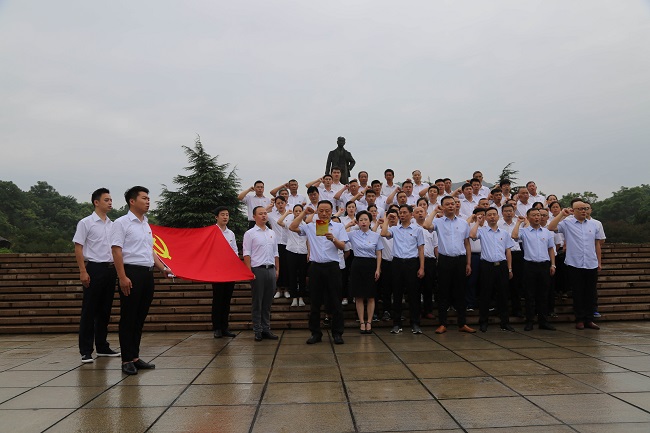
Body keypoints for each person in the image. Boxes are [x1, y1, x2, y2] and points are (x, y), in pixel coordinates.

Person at [111, 186, 169, 375]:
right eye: (144, 198)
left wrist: (162, 268)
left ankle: (135, 356)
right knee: (128, 317)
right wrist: (122, 277)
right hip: (131, 272)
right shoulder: (121, 223)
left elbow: (150, 250)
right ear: (132, 201)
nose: (148, 201)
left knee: (139, 317)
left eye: (148, 198)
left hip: (146, 273)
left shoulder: (145, 224)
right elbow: (116, 250)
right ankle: (126, 360)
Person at [290, 201, 349, 345]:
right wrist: (304, 213)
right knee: (315, 301)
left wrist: (333, 239)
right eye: (321, 210)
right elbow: (292, 227)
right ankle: (315, 333)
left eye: (327, 211)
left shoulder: (338, 226)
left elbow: (343, 246)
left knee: (335, 300)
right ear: (317, 211)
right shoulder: (310, 226)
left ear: (331, 211)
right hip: (316, 267)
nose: (324, 213)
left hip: (332, 267)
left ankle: (337, 333)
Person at [73, 187, 120, 364]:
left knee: (105, 310)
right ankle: (86, 350)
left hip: (110, 269)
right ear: (96, 202)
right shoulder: (86, 223)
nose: (110, 203)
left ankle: (102, 346)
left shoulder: (113, 224)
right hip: (94, 268)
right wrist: (83, 271)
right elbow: (78, 247)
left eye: (111, 200)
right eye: (106, 200)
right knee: (89, 310)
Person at [548, 199, 605, 330]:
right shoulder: (567, 223)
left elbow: (597, 244)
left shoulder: (594, 225)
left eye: (585, 208)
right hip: (574, 263)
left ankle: (589, 319)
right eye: (580, 209)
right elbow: (551, 227)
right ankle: (579, 319)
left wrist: (599, 262)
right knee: (578, 292)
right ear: (573, 211)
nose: (583, 211)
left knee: (590, 293)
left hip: (591, 262)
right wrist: (562, 214)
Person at [425, 196, 475, 334]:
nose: (451, 206)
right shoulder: (438, 222)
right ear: (443, 206)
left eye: (453, 204)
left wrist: (468, 263)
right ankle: (443, 323)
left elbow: (467, 244)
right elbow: (426, 225)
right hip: (444, 260)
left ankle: (462, 323)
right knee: (443, 292)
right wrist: (434, 211)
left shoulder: (463, 223)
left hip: (460, 260)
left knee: (461, 292)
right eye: (447, 204)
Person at [380, 204, 425, 334]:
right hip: (397, 263)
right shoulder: (395, 229)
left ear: (411, 214)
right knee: (397, 294)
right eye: (400, 212)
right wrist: (387, 218)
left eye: (405, 212)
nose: (402, 215)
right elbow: (383, 233)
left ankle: (415, 323)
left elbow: (421, 249)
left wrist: (422, 267)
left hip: (412, 263)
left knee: (414, 295)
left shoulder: (417, 230)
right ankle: (396, 323)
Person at [469, 207, 516, 332]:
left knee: (503, 294)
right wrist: (478, 222)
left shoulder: (504, 233)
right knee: (485, 294)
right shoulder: (482, 231)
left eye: (494, 214)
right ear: (485, 217)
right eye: (489, 215)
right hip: (487, 266)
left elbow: (508, 251)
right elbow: (472, 235)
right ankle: (483, 322)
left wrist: (509, 268)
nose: (492, 217)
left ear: (498, 216)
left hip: (502, 266)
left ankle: (504, 322)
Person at [512, 208, 556, 331]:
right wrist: (518, 222)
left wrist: (553, 264)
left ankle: (543, 321)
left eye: (538, 215)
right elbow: (514, 236)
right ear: (528, 217)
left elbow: (551, 249)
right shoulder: (524, 231)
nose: (537, 217)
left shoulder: (547, 232)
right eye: (534, 215)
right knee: (529, 294)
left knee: (543, 294)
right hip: (529, 265)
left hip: (544, 265)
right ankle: (530, 321)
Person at [243, 206, 280, 342]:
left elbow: (276, 252)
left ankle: (266, 328)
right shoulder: (250, 233)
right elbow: (247, 253)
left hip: (271, 269)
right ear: (254, 217)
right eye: (260, 214)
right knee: (257, 301)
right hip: (257, 270)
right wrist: (249, 271)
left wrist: (277, 269)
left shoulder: (272, 233)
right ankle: (257, 330)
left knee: (268, 301)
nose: (264, 216)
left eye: (265, 213)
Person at [348, 210, 383, 334]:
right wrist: (349, 224)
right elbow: (339, 233)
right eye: (361, 220)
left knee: (371, 296)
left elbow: (379, 253)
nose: (363, 222)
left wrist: (378, 269)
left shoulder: (375, 235)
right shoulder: (352, 234)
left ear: (370, 221)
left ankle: (369, 322)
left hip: (371, 264)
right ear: (357, 222)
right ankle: (362, 322)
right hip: (357, 264)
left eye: (366, 219)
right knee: (359, 296)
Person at [210, 206, 239, 339]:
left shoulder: (231, 233)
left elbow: (235, 250)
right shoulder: (212, 231)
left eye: (227, 214)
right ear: (216, 217)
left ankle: (225, 327)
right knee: (218, 299)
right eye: (222, 214)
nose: (225, 217)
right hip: (217, 270)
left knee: (227, 299)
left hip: (229, 270)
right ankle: (217, 328)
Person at [278, 205, 308, 307]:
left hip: (303, 252)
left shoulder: (306, 225)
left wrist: (309, 252)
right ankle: (294, 297)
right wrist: (287, 213)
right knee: (292, 275)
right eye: (296, 211)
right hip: (291, 251)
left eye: (300, 211)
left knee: (302, 276)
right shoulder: (289, 223)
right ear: (294, 212)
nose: (298, 213)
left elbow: (308, 240)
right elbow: (279, 222)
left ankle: (301, 297)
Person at [499, 204, 524, 318]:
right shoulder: (498, 224)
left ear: (514, 212)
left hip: (516, 253)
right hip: (502, 254)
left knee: (516, 283)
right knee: (501, 283)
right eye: (506, 211)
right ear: (502, 212)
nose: (509, 213)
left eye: (511, 211)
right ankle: (501, 309)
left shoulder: (519, 223)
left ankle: (517, 309)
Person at [414, 206, 438, 320]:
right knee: (416, 287)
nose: (420, 214)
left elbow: (435, 245)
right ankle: (417, 311)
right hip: (416, 260)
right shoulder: (412, 228)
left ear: (426, 213)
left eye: (421, 211)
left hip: (430, 260)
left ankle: (428, 310)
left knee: (428, 287)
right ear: (413, 215)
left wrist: (438, 260)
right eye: (417, 212)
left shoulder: (431, 228)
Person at [267, 196, 290, 299]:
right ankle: (278, 289)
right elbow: (261, 213)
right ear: (275, 204)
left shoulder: (290, 215)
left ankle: (286, 289)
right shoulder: (272, 215)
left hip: (288, 244)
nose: (280, 205)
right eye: (278, 203)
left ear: (285, 203)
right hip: (276, 244)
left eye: (282, 203)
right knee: (277, 266)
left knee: (286, 267)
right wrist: (269, 206)